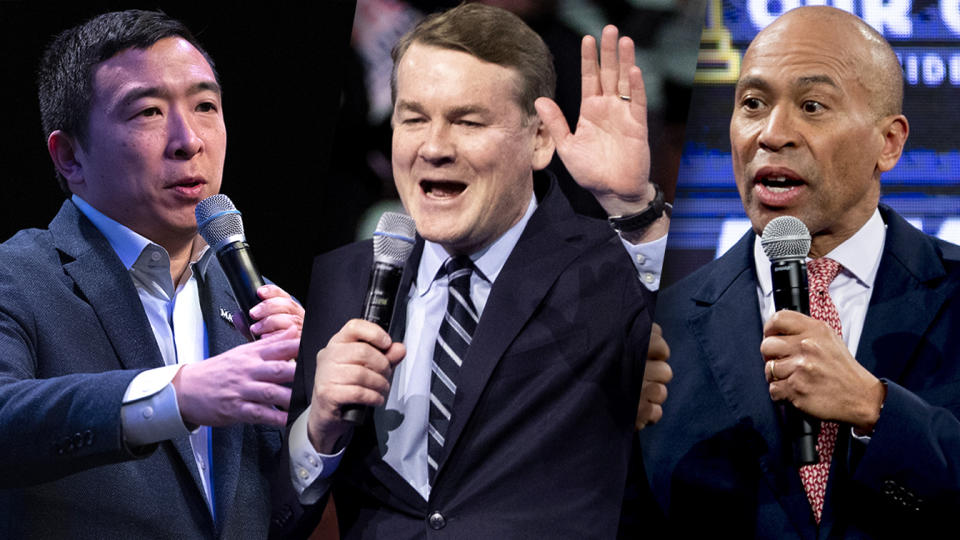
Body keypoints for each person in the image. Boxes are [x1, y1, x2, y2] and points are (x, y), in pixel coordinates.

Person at [284, 3, 668, 538]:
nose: (435, 147)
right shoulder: (333, 283)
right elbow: (268, 516)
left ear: (539, 141)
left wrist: (635, 209)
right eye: (414, 118)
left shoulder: (610, 269)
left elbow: (694, 373)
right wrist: (318, 429)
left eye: (468, 121)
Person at [639, 6, 960, 537]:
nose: (773, 133)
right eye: (752, 103)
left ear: (890, 143)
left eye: (812, 105)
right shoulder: (661, 327)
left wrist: (876, 410)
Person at [0, 10, 306, 538]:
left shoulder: (249, 300)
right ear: (70, 156)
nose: (189, 141)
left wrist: (319, 421)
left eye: (206, 106)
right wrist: (178, 393)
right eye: (147, 113)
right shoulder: (18, 274)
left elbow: (273, 517)